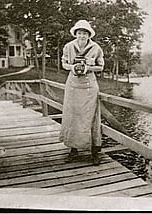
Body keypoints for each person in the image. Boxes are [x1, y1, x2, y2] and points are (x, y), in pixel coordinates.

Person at [59, 20, 106, 165]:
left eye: (84, 33)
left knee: (90, 118)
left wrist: (88, 69)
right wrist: (72, 68)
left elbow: (101, 67)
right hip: (73, 85)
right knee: (72, 117)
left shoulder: (96, 48)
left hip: (89, 87)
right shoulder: (68, 46)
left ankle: (94, 152)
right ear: (75, 34)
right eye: (79, 33)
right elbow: (64, 63)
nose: (82, 36)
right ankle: (73, 150)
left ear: (89, 34)